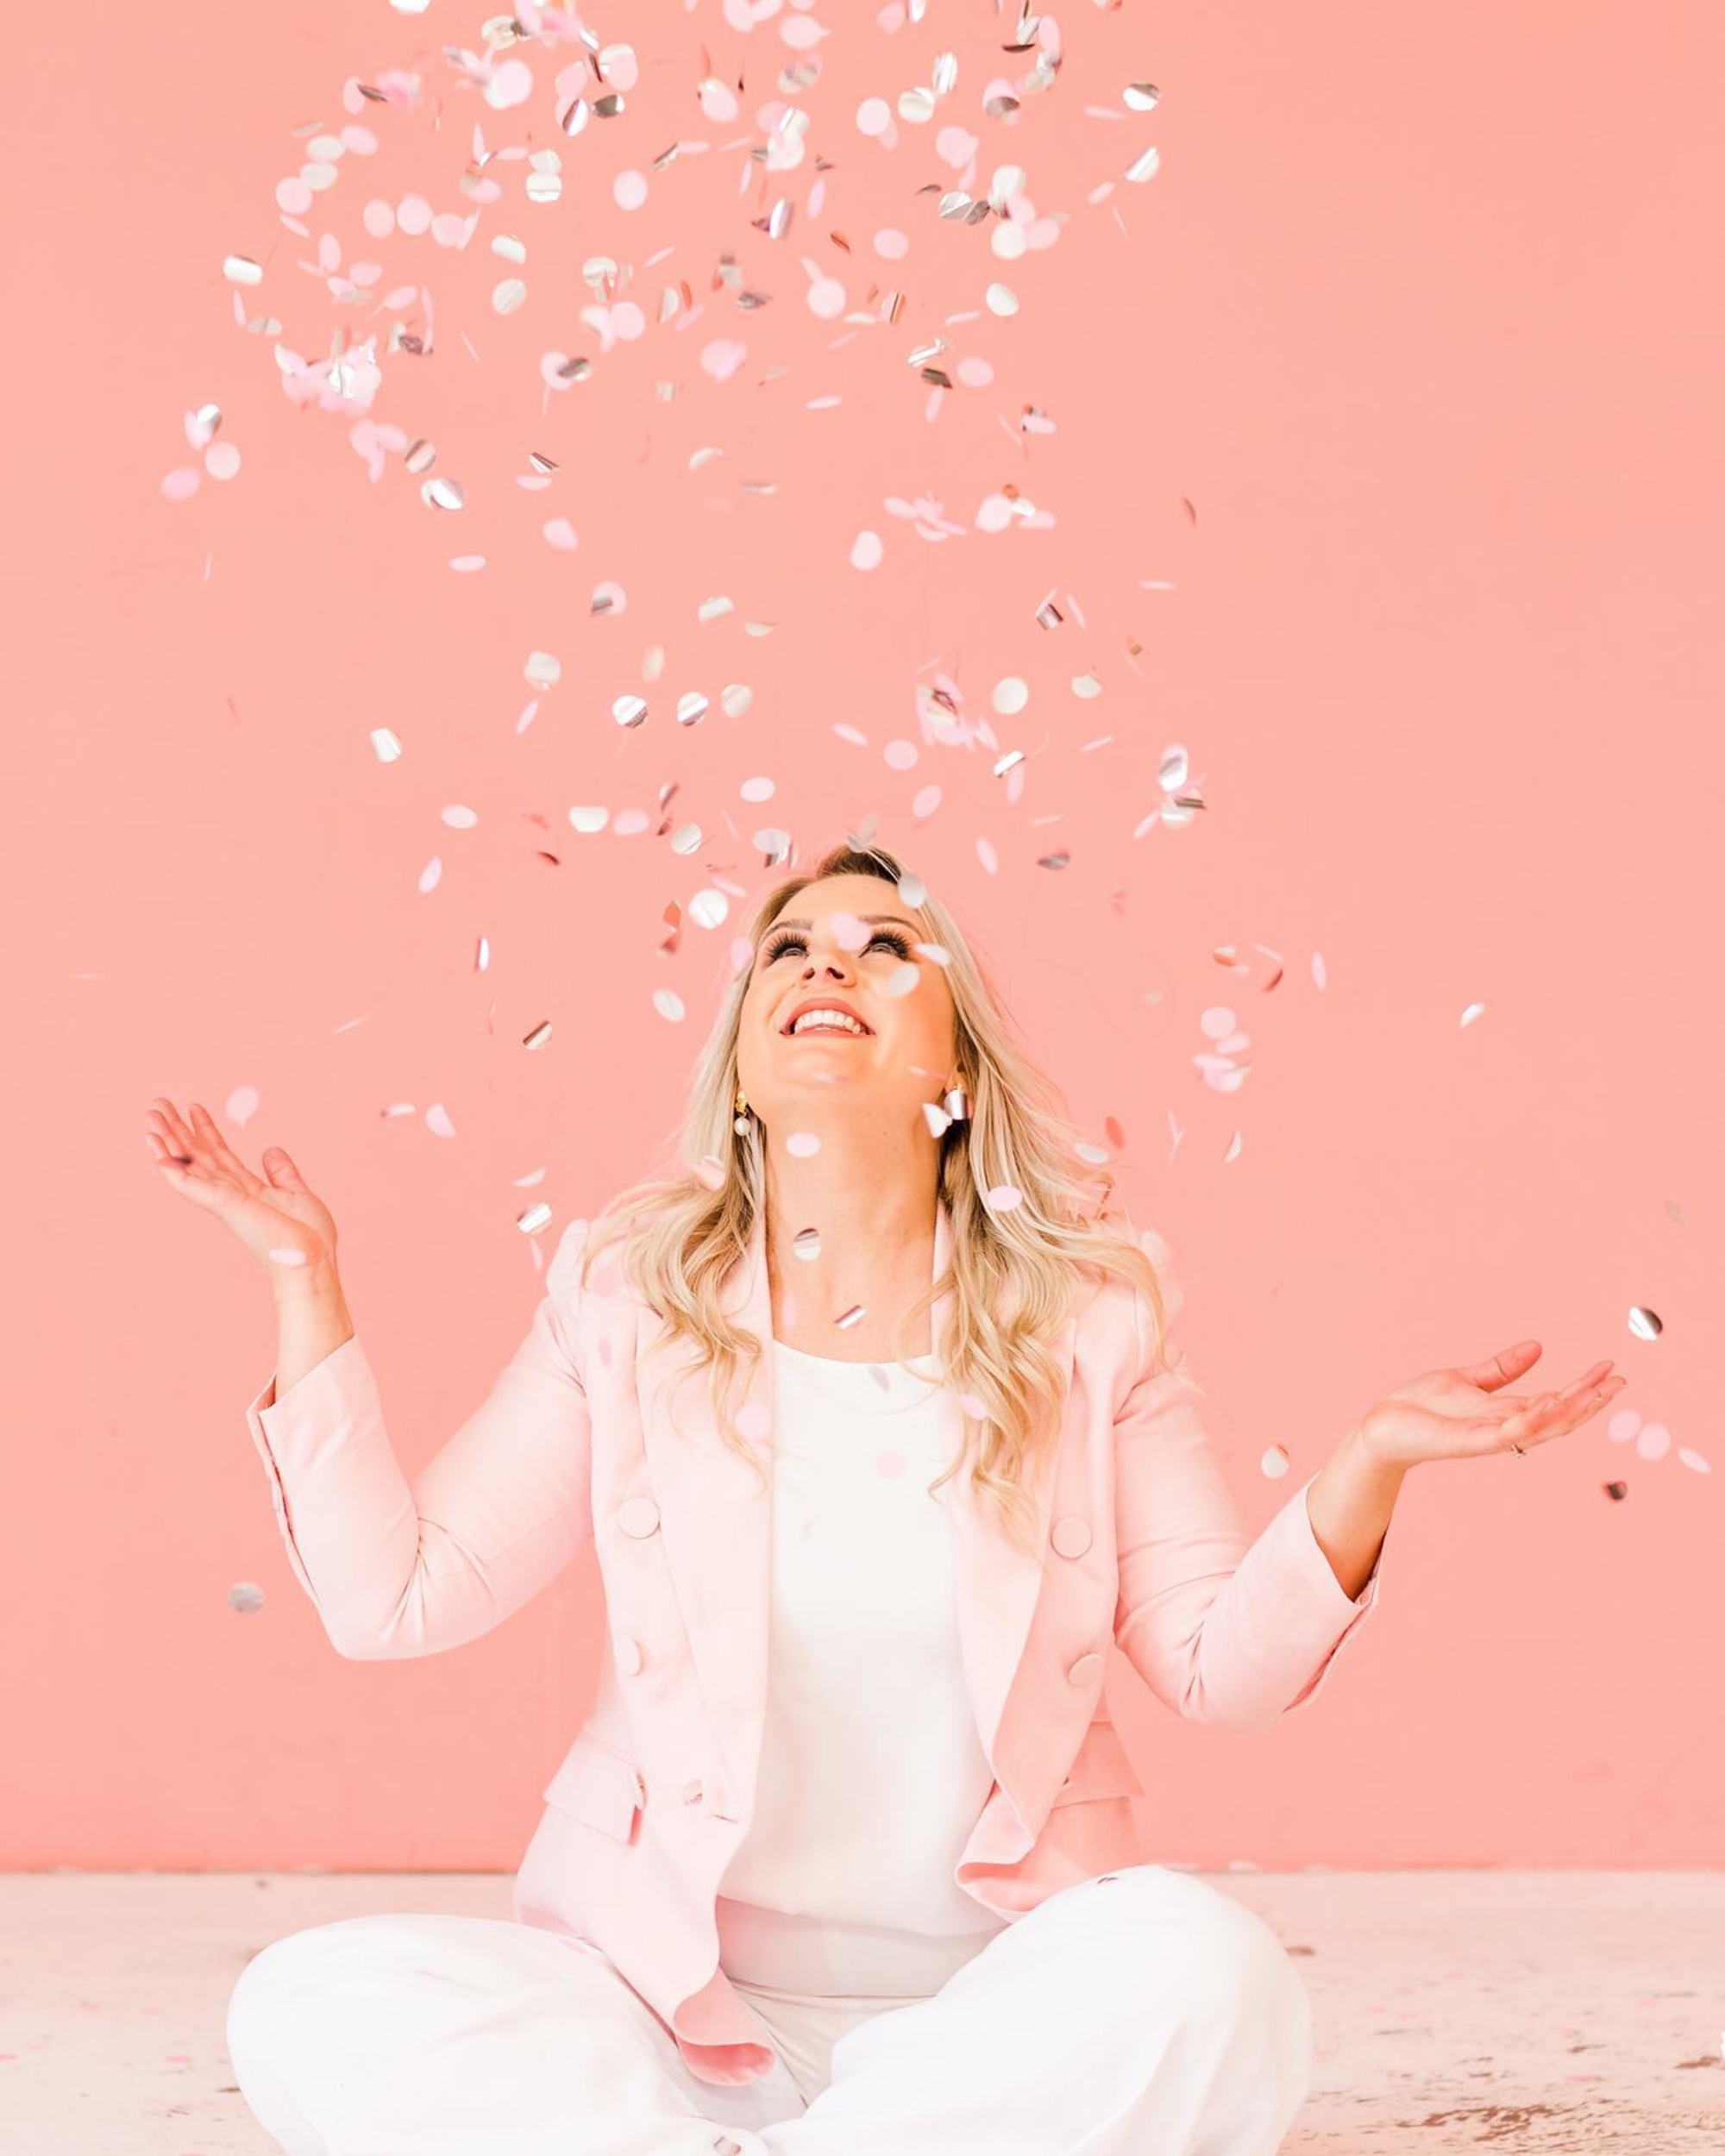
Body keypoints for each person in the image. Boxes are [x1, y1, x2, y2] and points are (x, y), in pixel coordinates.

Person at [146, 838, 1622, 2154]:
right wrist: (304, 1283)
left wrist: (1366, 1464)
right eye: (789, 948)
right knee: (313, 1999)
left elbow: (1215, 1674)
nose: (823, 963)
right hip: (667, 2016)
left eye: (882, 945)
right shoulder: (625, 1298)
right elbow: (396, 1599)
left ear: (958, 1070)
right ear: (739, 1064)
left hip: (987, 2023)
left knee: (1212, 1974)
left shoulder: (1090, 1321)